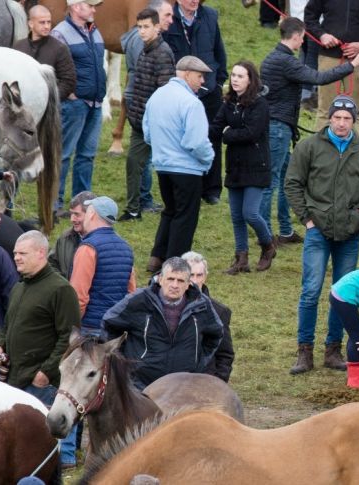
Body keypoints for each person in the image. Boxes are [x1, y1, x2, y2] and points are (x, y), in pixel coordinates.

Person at [284, 95, 359, 375]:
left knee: (343, 294)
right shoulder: (309, 147)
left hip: (350, 235)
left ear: (354, 121)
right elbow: (292, 183)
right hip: (318, 231)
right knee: (311, 290)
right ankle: (304, 351)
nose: (341, 123)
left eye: (347, 119)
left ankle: (333, 349)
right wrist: (306, 218)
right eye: (337, 118)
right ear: (330, 119)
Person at [261, 18, 359, 249]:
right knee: (272, 181)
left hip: (281, 127)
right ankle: (266, 236)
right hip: (278, 129)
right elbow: (318, 78)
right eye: (302, 37)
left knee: (287, 178)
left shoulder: (274, 57)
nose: (303, 41)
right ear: (297, 36)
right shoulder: (285, 61)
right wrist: (353, 64)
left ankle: (286, 230)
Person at [0, 231, 79, 468]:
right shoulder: (19, 287)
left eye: (22, 253)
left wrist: (46, 372)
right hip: (17, 375)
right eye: (15, 253)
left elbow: (69, 337)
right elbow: (9, 325)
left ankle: (64, 460)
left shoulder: (61, 289)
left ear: (41, 253)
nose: (16, 258)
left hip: (44, 382)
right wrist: (0, 345)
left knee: (51, 429)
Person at [103, 257, 223, 390]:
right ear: (160, 279)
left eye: (180, 280)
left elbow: (216, 333)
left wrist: (198, 362)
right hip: (141, 385)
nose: (175, 285)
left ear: (188, 283)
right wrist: (123, 359)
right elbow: (109, 324)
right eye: (170, 279)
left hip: (183, 386)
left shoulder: (201, 305)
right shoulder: (138, 301)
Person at [143, 56, 215, 273]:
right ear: (186, 74)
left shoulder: (156, 97)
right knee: (185, 217)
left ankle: (157, 256)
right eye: (199, 76)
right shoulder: (191, 103)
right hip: (187, 169)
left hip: (162, 166)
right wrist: (209, 157)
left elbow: (147, 134)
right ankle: (174, 265)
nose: (202, 81)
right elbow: (196, 142)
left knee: (170, 211)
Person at [210, 60, 275, 275]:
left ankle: (268, 245)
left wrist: (229, 134)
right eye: (233, 75)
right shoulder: (229, 103)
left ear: (250, 80)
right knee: (237, 216)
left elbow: (251, 133)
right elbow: (216, 128)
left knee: (250, 213)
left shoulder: (260, 104)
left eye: (240, 76)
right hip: (235, 166)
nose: (235, 80)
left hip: (256, 166)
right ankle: (241, 259)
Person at [163, 0, 228, 204]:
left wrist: (219, 81)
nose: (193, 1)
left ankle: (212, 189)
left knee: (212, 136)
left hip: (208, 89)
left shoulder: (209, 15)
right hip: (180, 90)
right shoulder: (168, 17)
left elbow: (219, 49)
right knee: (182, 137)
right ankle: (187, 184)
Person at [51, 0, 106, 216]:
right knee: (64, 154)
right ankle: (55, 203)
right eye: (90, 5)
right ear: (75, 7)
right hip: (75, 104)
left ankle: (81, 203)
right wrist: (69, 94)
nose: (94, 9)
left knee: (87, 155)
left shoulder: (94, 31)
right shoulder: (60, 33)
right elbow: (52, 68)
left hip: (95, 102)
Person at [120, 6, 174, 222]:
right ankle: (135, 207)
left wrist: (151, 121)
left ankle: (137, 208)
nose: (141, 31)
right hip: (138, 120)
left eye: (146, 27)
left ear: (157, 27)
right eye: (139, 27)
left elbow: (164, 91)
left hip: (152, 123)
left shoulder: (163, 53)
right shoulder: (144, 49)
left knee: (150, 164)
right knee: (135, 164)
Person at [69, 196, 137, 339]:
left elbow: (78, 297)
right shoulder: (126, 248)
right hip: (115, 328)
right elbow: (131, 292)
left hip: (89, 328)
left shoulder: (88, 248)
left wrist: (72, 327)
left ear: (92, 214)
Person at [303, 0, 359, 129]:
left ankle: (355, 148)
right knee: (325, 109)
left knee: (356, 111)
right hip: (329, 56)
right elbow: (309, 17)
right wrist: (322, 35)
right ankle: (322, 148)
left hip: (358, 58)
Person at [181, 251, 235, 382]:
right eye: (191, 275)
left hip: (204, 381)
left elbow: (225, 354)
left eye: (199, 275)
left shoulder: (219, 311)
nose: (195, 280)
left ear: (205, 277)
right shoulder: (166, 306)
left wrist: (217, 384)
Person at [12, 5, 77, 101]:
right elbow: (12, 75)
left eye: (49, 22)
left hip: (50, 107)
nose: (47, 26)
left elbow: (68, 81)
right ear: (31, 24)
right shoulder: (18, 47)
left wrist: (48, 99)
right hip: (23, 105)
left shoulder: (59, 48)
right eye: (42, 22)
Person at [48, 191, 97, 278]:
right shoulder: (65, 238)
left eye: (77, 214)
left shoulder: (107, 242)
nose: (72, 219)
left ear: (91, 215)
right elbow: (51, 264)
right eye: (71, 214)